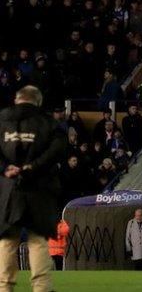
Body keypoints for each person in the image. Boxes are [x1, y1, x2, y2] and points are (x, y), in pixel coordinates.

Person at [0, 86, 65, 292]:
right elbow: (58, 148)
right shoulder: (47, 122)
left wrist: (5, 168)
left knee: (8, 240)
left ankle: (4, 287)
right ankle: (42, 288)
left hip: (9, 190)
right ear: (38, 101)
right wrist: (32, 167)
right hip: (39, 188)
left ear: (16, 99)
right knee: (38, 241)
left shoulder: (1, 119)